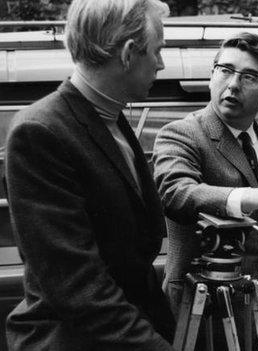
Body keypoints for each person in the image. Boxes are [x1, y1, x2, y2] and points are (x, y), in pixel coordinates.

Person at [4, 0, 175, 350]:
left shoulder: (109, 116)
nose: (161, 63)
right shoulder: (39, 132)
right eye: (157, 51)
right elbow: (77, 286)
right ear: (128, 54)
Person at [153, 32, 258, 350]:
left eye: (249, 76)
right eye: (225, 70)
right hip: (206, 312)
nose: (233, 84)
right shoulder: (181, 134)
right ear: (212, 74)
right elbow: (175, 192)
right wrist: (254, 196)